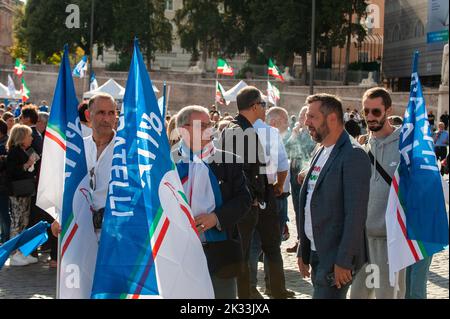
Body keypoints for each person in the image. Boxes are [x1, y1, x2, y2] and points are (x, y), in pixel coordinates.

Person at [297, 93, 371, 299]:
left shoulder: (353, 155)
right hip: (315, 251)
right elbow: (310, 202)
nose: (306, 122)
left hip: (335, 256)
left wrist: (344, 261)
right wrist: (303, 250)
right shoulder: (320, 150)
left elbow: (356, 214)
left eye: (312, 117)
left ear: (331, 118)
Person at [173, 105, 251, 299]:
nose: (211, 129)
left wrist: (215, 218)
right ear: (183, 129)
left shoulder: (228, 160)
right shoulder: (168, 162)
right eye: (203, 125)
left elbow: (244, 199)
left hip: (220, 251)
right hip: (178, 251)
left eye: (211, 124)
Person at [219, 86, 287, 299]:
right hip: (248, 204)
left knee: (251, 252)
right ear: (255, 105)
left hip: (248, 201)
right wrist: (255, 198)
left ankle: (250, 293)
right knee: (245, 254)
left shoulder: (231, 128)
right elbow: (246, 172)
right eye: (263, 104)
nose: (265, 109)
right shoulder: (241, 131)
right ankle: (246, 297)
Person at [350, 87, 406, 299]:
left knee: (388, 296)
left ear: (388, 110)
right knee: (357, 295)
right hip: (362, 240)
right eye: (366, 112)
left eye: (376, 111)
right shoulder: (361, 146)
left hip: (390, 241)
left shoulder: (405, 145)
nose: (370, 117)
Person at [249, 106, 294, 298]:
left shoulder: (243, 131)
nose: (288, 125)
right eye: (285, 121)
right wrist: (279, 186)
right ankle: (273, 287)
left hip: (258, 195)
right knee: (271, 244)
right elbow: (282, 165)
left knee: (254, 244)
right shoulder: (271, 133)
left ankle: (250, 286)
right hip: (273, 194)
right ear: (275, 122)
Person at [284, 106, 316, 253]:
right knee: (297, 207)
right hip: (295, 170)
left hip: (307, 172)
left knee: (307, 207)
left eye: (306, 116)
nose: (303, 119)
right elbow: (287, 148)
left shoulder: (313, 134)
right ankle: (300, 239)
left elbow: (310, 151)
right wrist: (294, 135)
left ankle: (308, 240)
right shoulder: (297, 132)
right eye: (302, 116)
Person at [6, 125, 39, 266]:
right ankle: (14, 254)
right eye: (29, 135)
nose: (31, 138)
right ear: (22, 137)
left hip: (25, 192)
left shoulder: (23, 151)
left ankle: (21, 252)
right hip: (17, 193)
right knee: (17, 222)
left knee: (24, 222)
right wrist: (27, 164)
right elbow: (13, 172)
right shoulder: (14, 152)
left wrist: (31, 165)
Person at [0, 119, 10, 244]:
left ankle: (6, 237)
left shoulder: (4, 145)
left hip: (3, 185)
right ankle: (4, 236)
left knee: (4, 213)